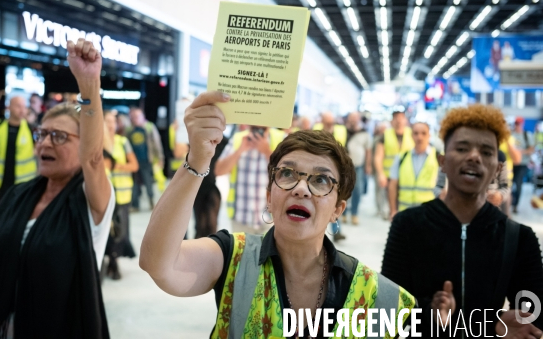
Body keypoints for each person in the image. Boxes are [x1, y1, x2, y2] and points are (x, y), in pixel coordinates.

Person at [139, 91, 417, 338]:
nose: (300, 189)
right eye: (287, 174)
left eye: (321, 181)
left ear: (337, 210)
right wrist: (197, 158)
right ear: (270, 196)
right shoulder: (232, 259)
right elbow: (159, 264)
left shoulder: (369, 292)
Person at [0, 39, 113, 338]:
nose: (44, 143)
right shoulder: (18, 195)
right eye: (41, 134)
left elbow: (93, 160)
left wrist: (89, 83)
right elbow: (1, 271)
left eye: (59, 136)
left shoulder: (90, 200)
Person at [382, 104, 543, 337]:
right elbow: (388, 314)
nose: (474, 157)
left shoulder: (519, 238)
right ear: (443, 162)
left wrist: (506, 325)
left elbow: (535, 315)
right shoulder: (407, 226)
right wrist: (429, 312)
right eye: (462, 148)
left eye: (486, 152)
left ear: (497, 169)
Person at [214, 125, 285, 234]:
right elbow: (219, 171)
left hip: (271, 218)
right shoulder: (238, 139)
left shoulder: (281, 138)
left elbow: (288, 173)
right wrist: (240, 150)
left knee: (268, 251)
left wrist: (267, 151)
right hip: (241, 217)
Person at [104, 110, 138, 279]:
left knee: (120, 232)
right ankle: (111, 262)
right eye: (107, 121)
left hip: (122, 195)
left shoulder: (122, 142)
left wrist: (114, 165)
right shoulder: (97, 143)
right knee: (106, 231)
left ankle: (114, 261)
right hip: (103, 195)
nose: (111, 125)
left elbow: (134, 165)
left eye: (113, 121)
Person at [387, 122, 438, 219]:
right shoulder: (402, 157)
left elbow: (445, 189)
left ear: (429, 135)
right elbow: (392, 185)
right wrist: (393, 210)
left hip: (429, 215)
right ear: (411, 136)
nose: (419, 137)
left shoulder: (438, 158)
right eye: (416, 133)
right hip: (405, 213)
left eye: (423, 133)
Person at [128, 107, 164, 210]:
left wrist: (160, 158)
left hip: (146, 160)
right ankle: (135, 205)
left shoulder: (149, 127)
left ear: (142, 116)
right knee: (135, 185)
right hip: (134, 161)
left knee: (148, 182)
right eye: (133, 117)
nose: (135, 119)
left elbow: (157, 143)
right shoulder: (130, 129)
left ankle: (152, 202)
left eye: (137, 116)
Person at [340, 111, 371, 226]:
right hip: (344, 166)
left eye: (355, 118)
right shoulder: (342, 131)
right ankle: (343, 213)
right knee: (344, 189)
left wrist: (368, 165)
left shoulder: (364, 133)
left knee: (357, 190)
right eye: (351, 118)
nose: (353, 120)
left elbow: (368, 150)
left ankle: (354, 214)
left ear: (359, 119)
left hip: (358, 166)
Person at [511, 116, 535, 212]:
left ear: (522, 124)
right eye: (516, 123)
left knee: (518, 183)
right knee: (509, 184)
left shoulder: (526, 135)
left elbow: (531, 149)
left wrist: (520, 152)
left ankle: (515, 204)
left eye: (519, 123)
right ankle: (511, 201)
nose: (517, 125)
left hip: (522, 163)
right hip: (511, 164)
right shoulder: (510, 134)